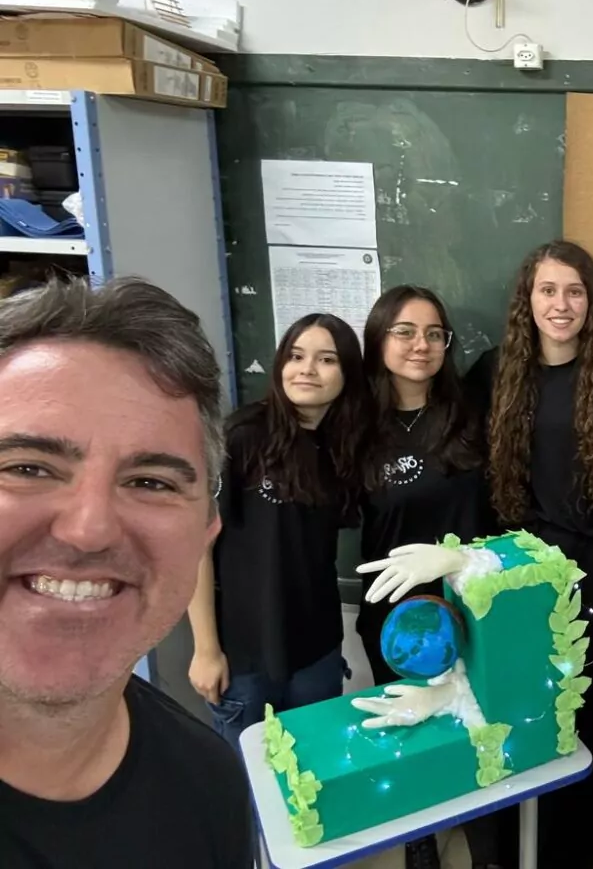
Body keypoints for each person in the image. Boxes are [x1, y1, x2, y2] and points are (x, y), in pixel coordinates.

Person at [0, 276, 252, 867]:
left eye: (150, 483)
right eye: (29, 468)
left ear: (205, 534)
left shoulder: (210, 786)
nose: (89, 529)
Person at [457, 240, 593, 869]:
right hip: (519, 575)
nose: (560, 305)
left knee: (586, 716)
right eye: (547, 291)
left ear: (592, 301)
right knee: (517, 709)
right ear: (526, 301)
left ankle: (574, 853)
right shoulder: (492, 372)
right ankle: (508, 853)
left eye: (574, 291)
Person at [187, 313, 372, 753]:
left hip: (317, 651)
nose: (307, 369)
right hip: (245, 655)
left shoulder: (342, 447)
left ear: (346, 374)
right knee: (252, 790)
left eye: (326, 359)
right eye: (296, 356)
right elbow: (195, 544)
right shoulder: (244, 437)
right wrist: (206, 650)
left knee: (314, 777)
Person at [356, 285, 494, 869]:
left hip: (473, 604)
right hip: (395, 619)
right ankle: (420, 847)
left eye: (434, 333)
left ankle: (491, 846)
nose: (422, 345)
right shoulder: (355, 424)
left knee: (480, 724)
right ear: (379, 339)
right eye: (405, 332)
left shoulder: (473, 412)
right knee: (414, 732)